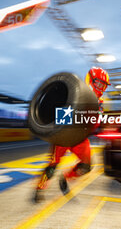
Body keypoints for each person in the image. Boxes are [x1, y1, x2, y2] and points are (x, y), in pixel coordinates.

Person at [33, 67, 110, 203]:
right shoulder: (75, 91)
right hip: (64, 136)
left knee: (86, 166)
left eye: (104, 85)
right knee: (52, 167)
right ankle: (39, 188)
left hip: (80, 138)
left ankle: (66, 177)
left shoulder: (100, 105)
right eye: (99, 83)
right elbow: (60, 116)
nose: (101, 88)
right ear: (90, 80)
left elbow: (95, 125)